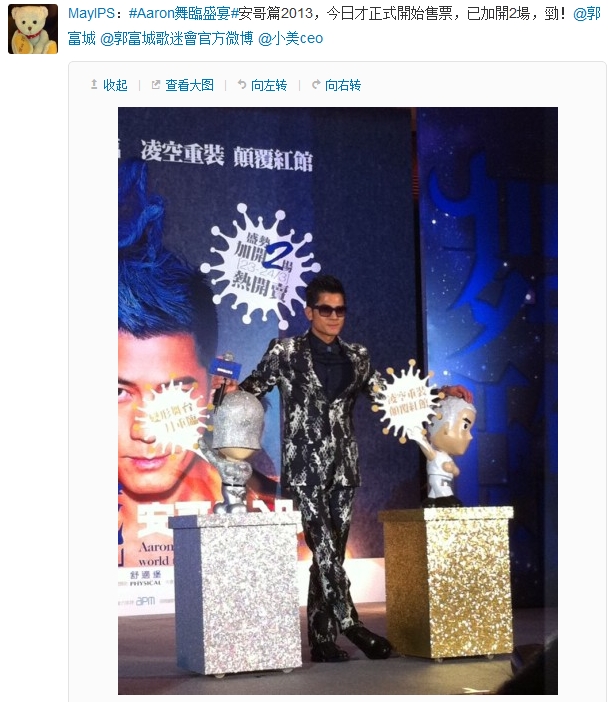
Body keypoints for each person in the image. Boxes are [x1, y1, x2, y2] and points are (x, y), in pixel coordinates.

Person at [222, 274, 392, 663]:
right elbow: (252, 388)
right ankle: (352, 624)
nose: (334, 317)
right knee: (325, 547)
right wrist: (229, 393)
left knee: (330, 554)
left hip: (344, 468)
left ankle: (321, 639)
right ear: (309, 312)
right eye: (326, 309)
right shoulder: (285, 353)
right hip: (305, 468)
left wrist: (438, 395)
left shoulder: (358, 356)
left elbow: (389, 397)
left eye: (340, 310)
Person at [118, 160, 278, 567]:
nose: (145, 431)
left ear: (210, 390)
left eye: (175, 391)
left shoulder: (262, 510)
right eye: (118, 393)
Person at [413, 390, 476, 508]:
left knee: (433, 494)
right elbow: (424, 446)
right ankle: (445, 498)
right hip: (439, 482)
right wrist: (418, 436)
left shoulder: (447, 457)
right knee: (444, 492)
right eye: (465, 427)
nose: (470, 436)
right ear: (446, 427)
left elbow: (456, 471)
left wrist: (453, 469)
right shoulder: (435, 455)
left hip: (444, 480)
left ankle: (431, 500)